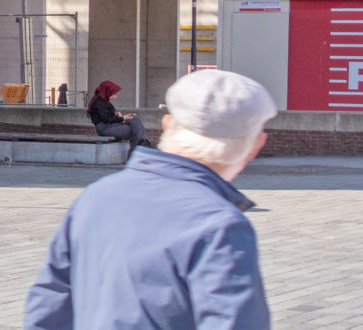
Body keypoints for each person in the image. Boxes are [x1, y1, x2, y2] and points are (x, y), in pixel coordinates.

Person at [25, 69, 275, 330]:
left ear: (168, 124)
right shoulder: (221, 226)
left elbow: (48, 307)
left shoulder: (94, 198)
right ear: (255, 146)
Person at [87, 80, 150, 155]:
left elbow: (110, 116)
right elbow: (107, 119)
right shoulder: (98, 102)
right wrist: (123, 118)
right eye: (114, 94)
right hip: (105, 128)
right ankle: (140, 148)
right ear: (107, 92)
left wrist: (119, 116)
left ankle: (141, 146)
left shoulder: (103, 100)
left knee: (135, 120)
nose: (115, 96)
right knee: (135, 131)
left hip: (111, 125)